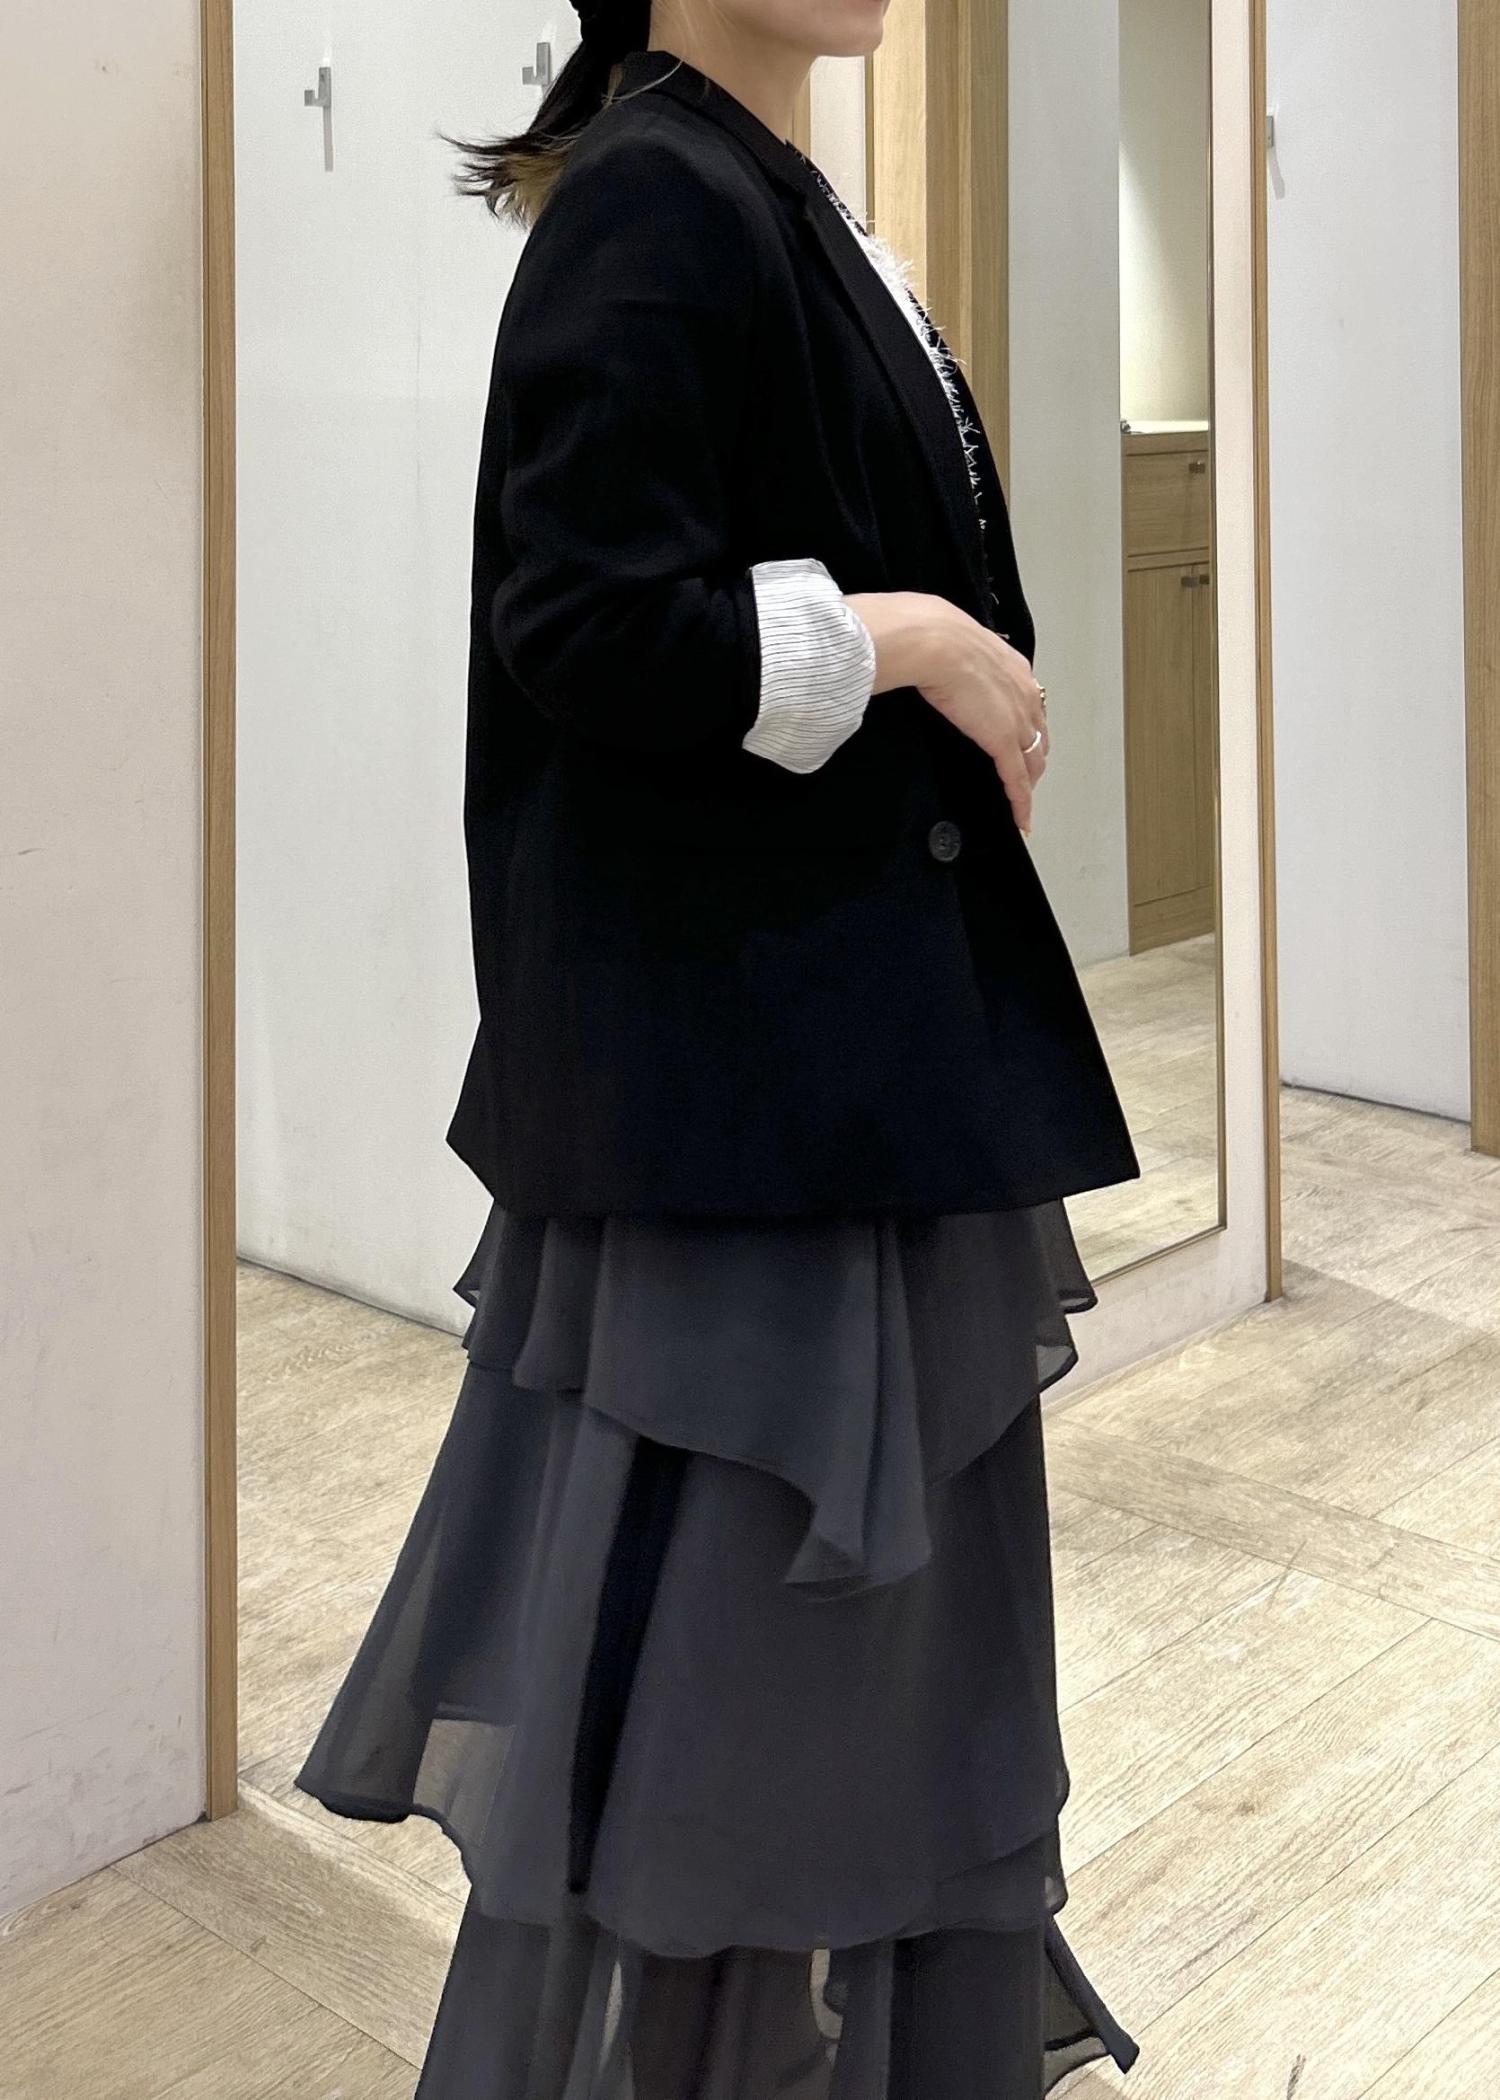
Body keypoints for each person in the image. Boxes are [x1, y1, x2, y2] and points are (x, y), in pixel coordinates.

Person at [295, 2, 1146, 2092]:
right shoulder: (662, 197)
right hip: (759, 1114)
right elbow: (589, 624)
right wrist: (911, 641)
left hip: (835, 1080)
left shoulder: (770, 196)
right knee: (746, 1725)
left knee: (832, 1715)